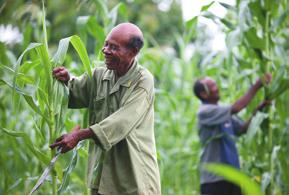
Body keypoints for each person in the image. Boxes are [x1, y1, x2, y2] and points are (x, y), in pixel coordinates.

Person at [50, 23, 161, 195]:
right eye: (106, 44)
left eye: (114, 47)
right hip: (102, 177)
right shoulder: (99, 75)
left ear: (132, 53)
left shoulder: (143, 81)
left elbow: (122, 121)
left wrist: (79, 135)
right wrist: (65, 80)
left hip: (134, 177)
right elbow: (75, 92)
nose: (105, 50)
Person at [193, 74, 271, 195]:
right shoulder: (204, 111)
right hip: (215, 180)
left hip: (233, 177)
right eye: (212, 86)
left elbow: (241, 129)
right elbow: (236, 108)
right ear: (204, 94)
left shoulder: (221, 111)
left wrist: (258, 110)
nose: (217, 87)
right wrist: (257, 86)